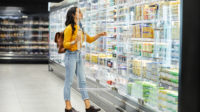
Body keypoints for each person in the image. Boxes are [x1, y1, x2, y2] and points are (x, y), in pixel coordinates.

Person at [63, 6, 107, 112]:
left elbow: (90, 39)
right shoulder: (69, 28)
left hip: (78, 55)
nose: (82, 14)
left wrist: (99, 35)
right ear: (73, 15)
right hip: (70, 56)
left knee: (82, 81)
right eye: (79, 12)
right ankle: (68, 107)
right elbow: (65, 44)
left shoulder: (80, 28)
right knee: (68, 82)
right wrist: (74, 42)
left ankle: (88, 106)